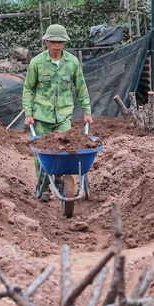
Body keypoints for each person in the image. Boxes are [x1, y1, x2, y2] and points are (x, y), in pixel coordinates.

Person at [22, 23, 93, 201]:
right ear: (47, 42)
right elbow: (28, 88)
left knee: (64, 150)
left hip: (63, 116)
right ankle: (44, 186)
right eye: (53, 41)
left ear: (64, 43)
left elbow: (81, 88)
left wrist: (87, 111)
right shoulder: (37, 63)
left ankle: (60, 178)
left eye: (60, 42)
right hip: (41, 116)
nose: (56, 45)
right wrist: (28, 113)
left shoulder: (72, 63)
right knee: (42, 153)